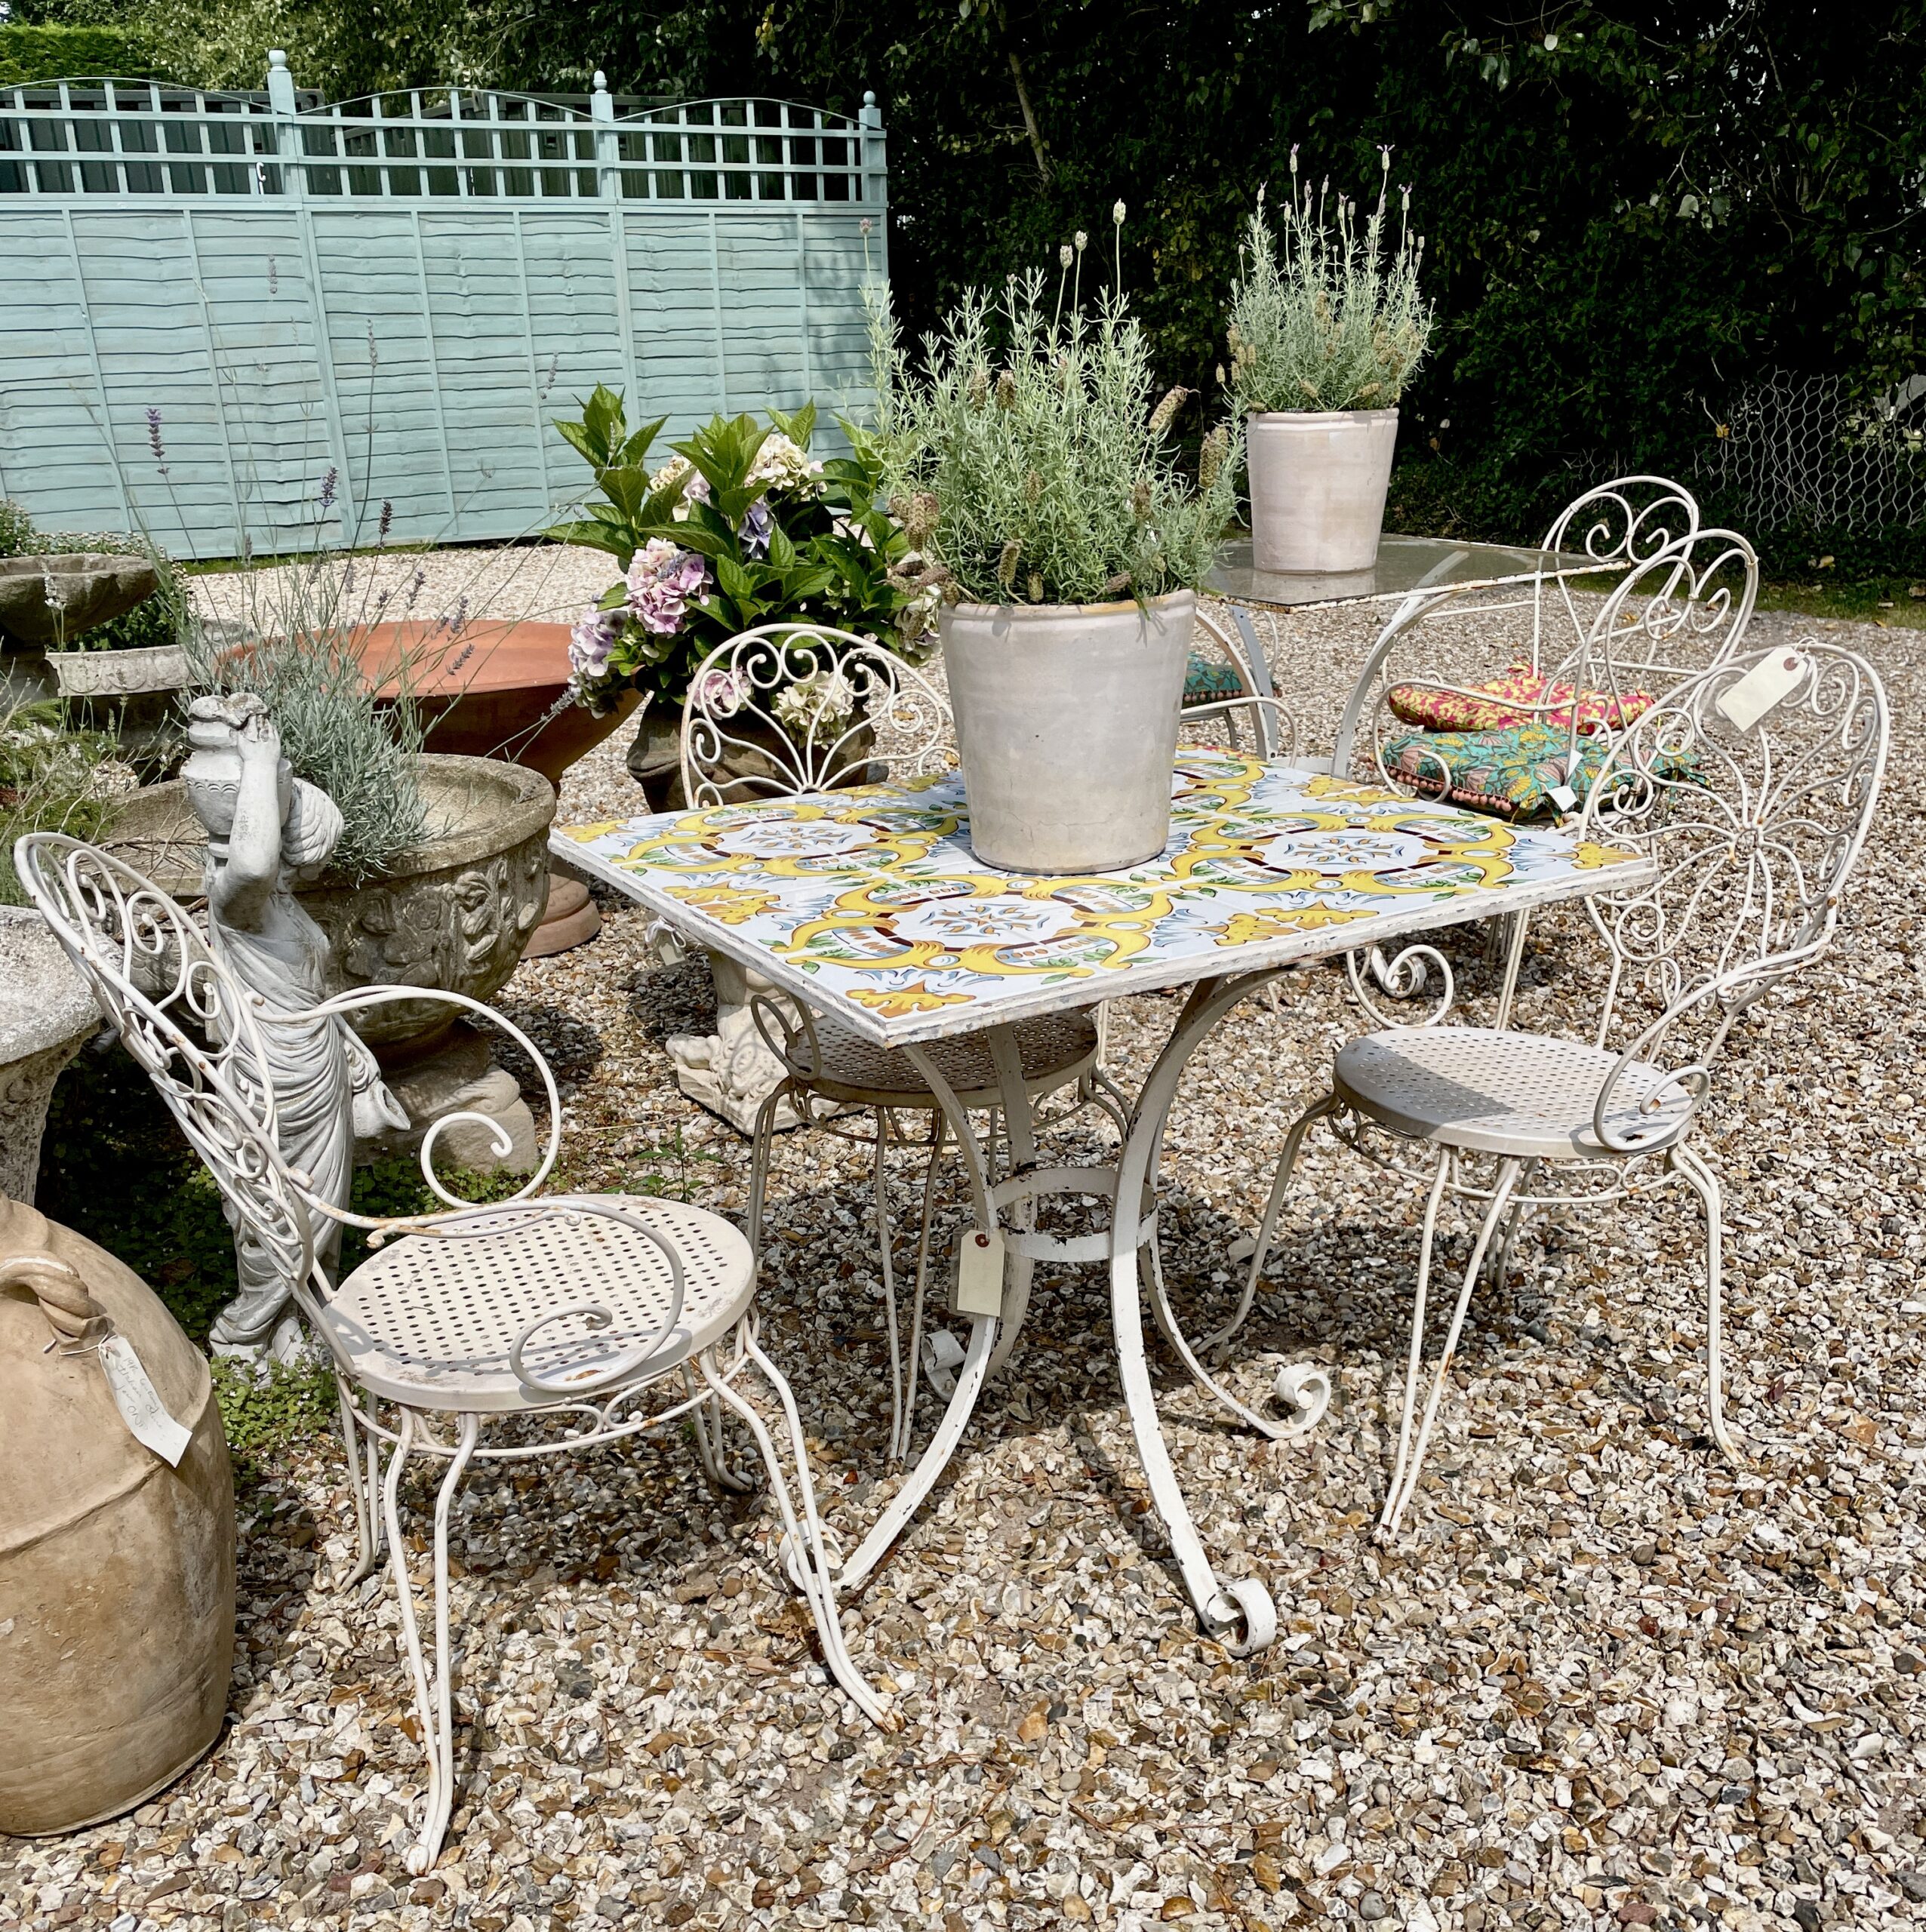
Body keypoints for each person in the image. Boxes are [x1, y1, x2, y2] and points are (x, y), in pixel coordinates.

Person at [181, 694, 406, 1361]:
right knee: (280, 1203)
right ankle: (245, 1331)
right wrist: (263, 759)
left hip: (311, 1059)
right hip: (272, 1075)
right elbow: (251, 861)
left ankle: (303, 1316)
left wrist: (288, 783)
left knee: (321, 1199)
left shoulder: (277, 900)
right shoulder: (237, 898)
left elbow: (270, 853)